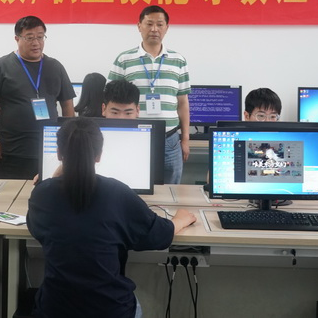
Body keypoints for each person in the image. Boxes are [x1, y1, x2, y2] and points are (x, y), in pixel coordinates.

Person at [27, 117, 196, 318]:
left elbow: (36, 227)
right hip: (109, 310)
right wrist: (180, 219)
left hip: (55, 310)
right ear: (99, 155)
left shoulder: (42, 194)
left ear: (59, 153)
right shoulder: (117, 193)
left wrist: (58, 173)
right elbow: (158, 236)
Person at [0, 16, 75, 179]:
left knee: (47, 191)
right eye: (29, 38)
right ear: (17, 39)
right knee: (11, 193)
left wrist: (69, 141)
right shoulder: (0, 67)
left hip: (49, 150)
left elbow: (67, 105)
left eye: (40, 37)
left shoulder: (56, 67)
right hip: (12, 151)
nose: (36, 43)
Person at [108, 5, 190, 184]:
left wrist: (185, 139)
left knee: (170, 189)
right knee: (131, 185)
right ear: (139, 26)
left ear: (167, 28)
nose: (154, 29)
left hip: (170, 139)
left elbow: (183, 102)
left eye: (160, 24)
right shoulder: (124, 59)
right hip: (134, 136)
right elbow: (110, 100)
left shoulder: (178, 60)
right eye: (149, 24)